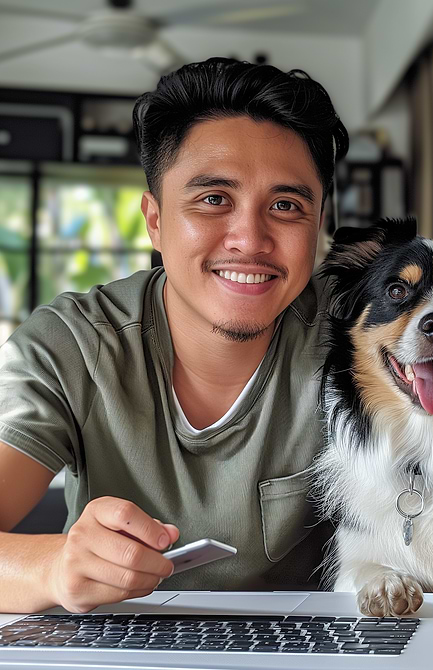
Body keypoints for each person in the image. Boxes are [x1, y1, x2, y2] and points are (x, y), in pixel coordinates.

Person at [0, 57, 348, 613]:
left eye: (286, 206)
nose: (250, 240)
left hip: (307, 649)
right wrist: (54, 567)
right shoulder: (70, 346)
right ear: (155, 220)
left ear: (319, 225)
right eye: (213, 199)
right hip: (111, 643)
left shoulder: (362, 337)